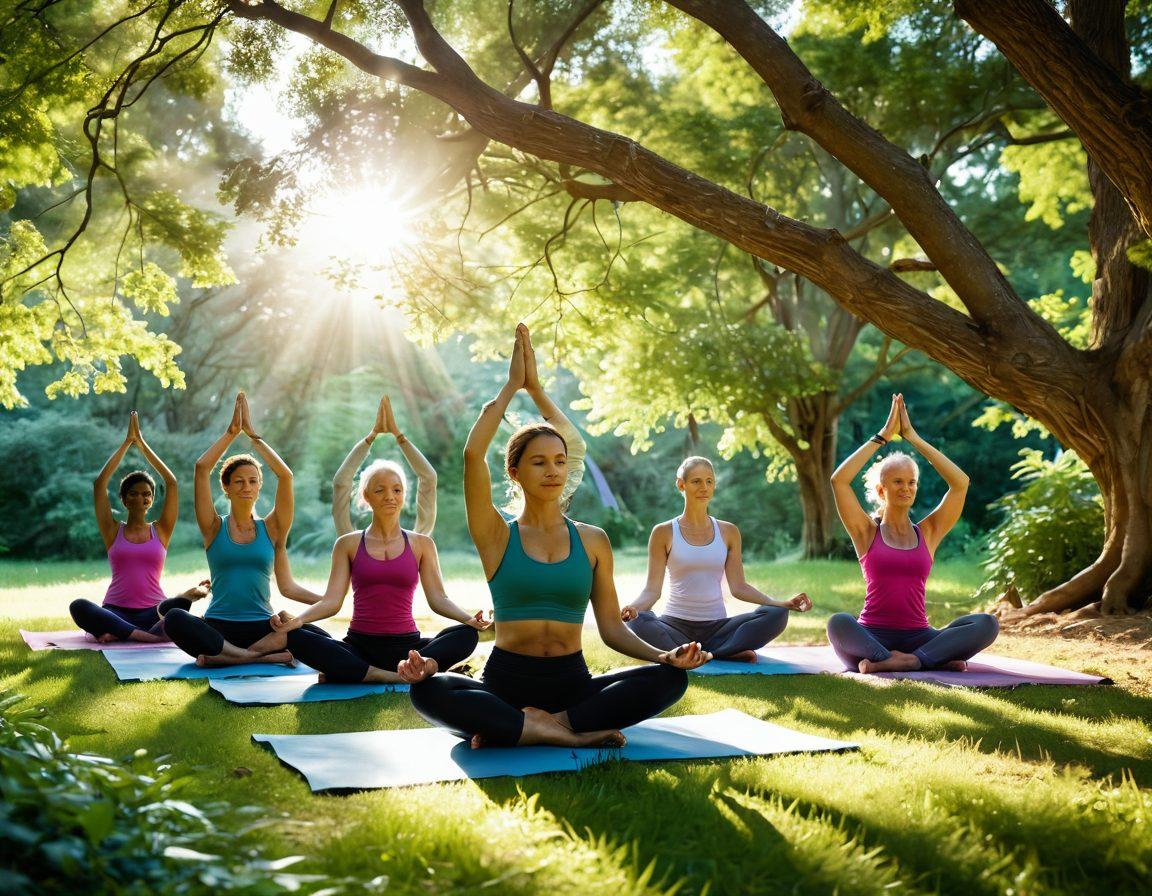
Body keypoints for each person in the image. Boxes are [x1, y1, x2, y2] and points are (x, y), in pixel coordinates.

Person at [407, 324, 709, 749]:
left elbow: (611, 628)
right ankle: (562, 732)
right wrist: (513, 387)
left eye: (560, 461)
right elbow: (473, 453)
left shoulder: (593, 540)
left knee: (669, 680)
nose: (552, 470)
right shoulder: (497, 535)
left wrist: (663, 655)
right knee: (426, 690)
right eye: (539, 463)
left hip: (572, 685)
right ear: (515, 472)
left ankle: (532, 726)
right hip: (505, 683)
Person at [268, 448, 490, 684]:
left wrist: (469, 619)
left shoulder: (422, 544)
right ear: (366, 496)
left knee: (466, 635)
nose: (389, 496)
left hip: (408, 648)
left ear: (404, 495)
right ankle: (391, 674)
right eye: (380, 490)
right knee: (297, 636)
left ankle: (418, 666)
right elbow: (331, 602)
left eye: (397, 490)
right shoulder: (347, 544)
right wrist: (298, 620)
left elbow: (439, 599)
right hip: (360, 646)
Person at [826, 394, 998, 673]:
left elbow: (960, 483)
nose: (906, 488)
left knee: (986, 624)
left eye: (912, 482)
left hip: (919, 635)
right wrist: (883, 436)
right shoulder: (866, 531)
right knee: (838, 623)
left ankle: (906, 661)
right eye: (897, 481)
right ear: (881, 490)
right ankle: (923, 659)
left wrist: (913, 437)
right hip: (871, 635)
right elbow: (839, 481)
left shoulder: (929, 531)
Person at [164, 393, 323, 666]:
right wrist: (231, 433)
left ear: (260, 486)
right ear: (226, 487)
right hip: (218, 627)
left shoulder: (272, 528)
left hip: (263, 626)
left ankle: (230, 658)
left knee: (319, 638)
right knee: (175, 619)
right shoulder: (213, 527)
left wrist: (253, 436)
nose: (246, 487)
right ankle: (255, 658)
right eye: (238, 481)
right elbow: (201, 468)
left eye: (252, 481)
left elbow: (285, 476)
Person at [621, 456, 812, 661]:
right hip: (674, 626)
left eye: (709, 481)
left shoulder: (729, 532)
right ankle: (724, 652)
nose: (704, 487)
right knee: (639, 620)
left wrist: (781, 603)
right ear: (681, 485)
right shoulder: (663, 532)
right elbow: (652, 591)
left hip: (718, 629)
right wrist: (634, 609)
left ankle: (700, 653)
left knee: (776, 614)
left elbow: (739, 587)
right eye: (696, 481)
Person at [69, 412, 208, 642]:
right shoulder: (113, 530)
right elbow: (99, 484)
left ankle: (121, 633)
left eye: (146, 494)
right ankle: (147, 636)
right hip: (116, 610)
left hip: (154, 611)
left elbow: (172, 483)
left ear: (152, 499)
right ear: (124, 499)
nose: (140, 498)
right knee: (79, 606)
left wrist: (142, 444)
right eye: (133, 493)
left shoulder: (161, 530)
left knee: (175, 610)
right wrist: (127, 443)